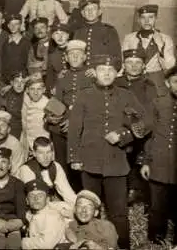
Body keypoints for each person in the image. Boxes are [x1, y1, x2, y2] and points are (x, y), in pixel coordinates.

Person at [68, 54, 148, 249]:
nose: (106, 74)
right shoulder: (83, 95)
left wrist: (124, 135)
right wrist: (74, 157)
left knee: (118, 212)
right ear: (94, 73)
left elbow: (145, 122)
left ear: (116, 73)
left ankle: (122, 246)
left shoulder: (126, 95)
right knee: (87, 210)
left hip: (117, 163)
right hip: (89, 162)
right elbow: (74, 129)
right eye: (102, 70)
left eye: (110, 71)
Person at [141, 65, 177, 245]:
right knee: (157, 206)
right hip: (159, 164)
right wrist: (146, 162)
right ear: (168, 83)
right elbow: (150, 135)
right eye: (175, 81)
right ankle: (155, 240)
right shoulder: (158, 103)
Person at [115, 49, 156, 205]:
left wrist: (137, 127)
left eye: (138, 62)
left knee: (136, 152)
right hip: (116, 127)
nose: (133, 66)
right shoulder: (116, 82)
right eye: (129, 63)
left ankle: (133, 189)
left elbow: (150, 113)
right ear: (124, 65)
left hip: (138, 130)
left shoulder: (148, 85)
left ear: (144, 65)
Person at [122, 4, 175, 95]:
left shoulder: (165, 39)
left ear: (156, 19)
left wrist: (161, 47)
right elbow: (123, 63)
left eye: (150, 17)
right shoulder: (129, 38)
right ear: (139, 20)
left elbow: (170, 66)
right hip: (134, 81)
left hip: (156, 84)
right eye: (143, 18)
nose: (147, 21)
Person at [18, 136, 77, 205]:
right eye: (41, 153)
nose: (45, 157)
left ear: (53, 152)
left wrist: (80, 205)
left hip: (49, 202)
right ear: (34, 153)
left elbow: (68, 193)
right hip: (30, 205)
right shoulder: (26, 169)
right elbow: (35, 200)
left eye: (48, 152)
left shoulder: (56, 166)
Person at [73, 0, 122, 74]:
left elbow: (116, 59)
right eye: (87, 9)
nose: (90, 12)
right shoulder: (78, 32)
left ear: (99, 12)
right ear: (82, 13)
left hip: (102, 75)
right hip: (81, 74)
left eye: (93, 9)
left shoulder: (109, 31)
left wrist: (98, 70)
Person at [21, 179, 69, 249]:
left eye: (40, 195)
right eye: (32, 196)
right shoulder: (28, 215)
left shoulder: (53, 216)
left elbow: (46, 244)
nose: (36, 198)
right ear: (27, 201)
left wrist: (23, 242)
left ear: (47, 199)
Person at [53, 39, 92, 110]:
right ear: (66, 58)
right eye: (71, 54)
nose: (75, 56)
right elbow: (57, 101)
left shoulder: (91, 75)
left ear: (84, 57)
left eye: (79, 53)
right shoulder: (62, 76)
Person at [21, 76, 50, 151]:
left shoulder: (48, 105)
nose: (35, 92)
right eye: (32, 89)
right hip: (27, 143)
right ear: (27, 90)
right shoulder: (26, 102)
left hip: (43, 145)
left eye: (39, 89)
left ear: (44, 90)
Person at [1, 14, 31, 85]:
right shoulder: (6, 42)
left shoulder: (26, 43)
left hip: (20, 80)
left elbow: (29, 64)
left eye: (16, 24)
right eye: (11, 24)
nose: (13, 26)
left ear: (20, 25)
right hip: (6, 80)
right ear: (8, 26)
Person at [46, 23, 72, 93]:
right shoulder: (52, 55)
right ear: (52, 37)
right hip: (61, 89)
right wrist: (52, 87)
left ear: (68, 35)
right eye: (56, 34)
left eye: (63, 33)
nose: (60, 37)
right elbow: (50, 76)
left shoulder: (75, 50)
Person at [2, 71, 27, 138]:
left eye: (22, 82)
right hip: (4, 128)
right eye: (16, 82)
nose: (19, 85)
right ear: (11, 83)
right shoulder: (6, 93)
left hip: (19, 131)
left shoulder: (27, 97)